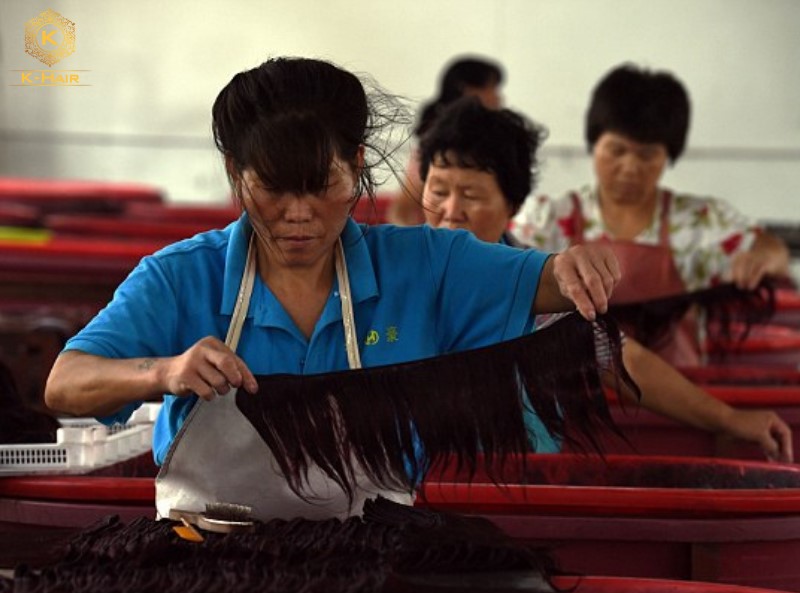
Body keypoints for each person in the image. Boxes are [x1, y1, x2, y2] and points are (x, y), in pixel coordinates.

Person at [44, 57, 623, 521]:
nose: (299, 214)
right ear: (234, 173)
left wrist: (577, 265)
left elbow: (548, 281)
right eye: (273, 187)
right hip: (206, 554)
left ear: (358, 164)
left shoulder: (427, 265)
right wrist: (164, 371)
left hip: (371, 552)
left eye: (321, 185)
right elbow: (65, 385)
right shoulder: (180, 277)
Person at [418, 96, 793, 463]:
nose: (451, 211)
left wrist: (728, 419)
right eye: (438, 191)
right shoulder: (401, 269)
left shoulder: (539, 281)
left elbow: (618, 356)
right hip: (420, 479)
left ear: (513, 206)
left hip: (522, 475)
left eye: (471, 195)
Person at [510, 63, 790, 367]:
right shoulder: (547, 218)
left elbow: (772, 250)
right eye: (617, 150)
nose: (630, 167)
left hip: (679, 385)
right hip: (574, 384)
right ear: (594, 145)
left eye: (647, 155)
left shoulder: (698, 221)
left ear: (668, 156)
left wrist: (761, 258)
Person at [387, 55, 504, 226]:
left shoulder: (495, 141)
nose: (499, 98)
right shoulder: (436, 144)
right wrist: (414, 239)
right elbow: (402, 208)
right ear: (468, 90)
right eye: (491, 89)